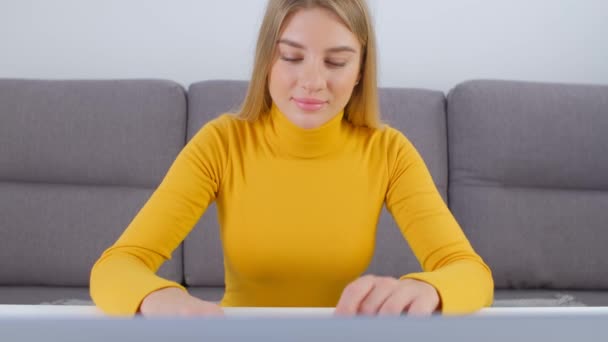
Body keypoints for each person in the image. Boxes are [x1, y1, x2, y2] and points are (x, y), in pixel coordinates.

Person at [90, 0, 494, 317]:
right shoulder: (221, 143)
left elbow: (470, 272)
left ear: (359, 71)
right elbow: (116, 266)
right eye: (291, 57)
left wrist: (429, 288)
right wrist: (161, 300)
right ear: (267, 60)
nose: (312, 82)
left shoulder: (388, 152)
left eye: (336, 61)